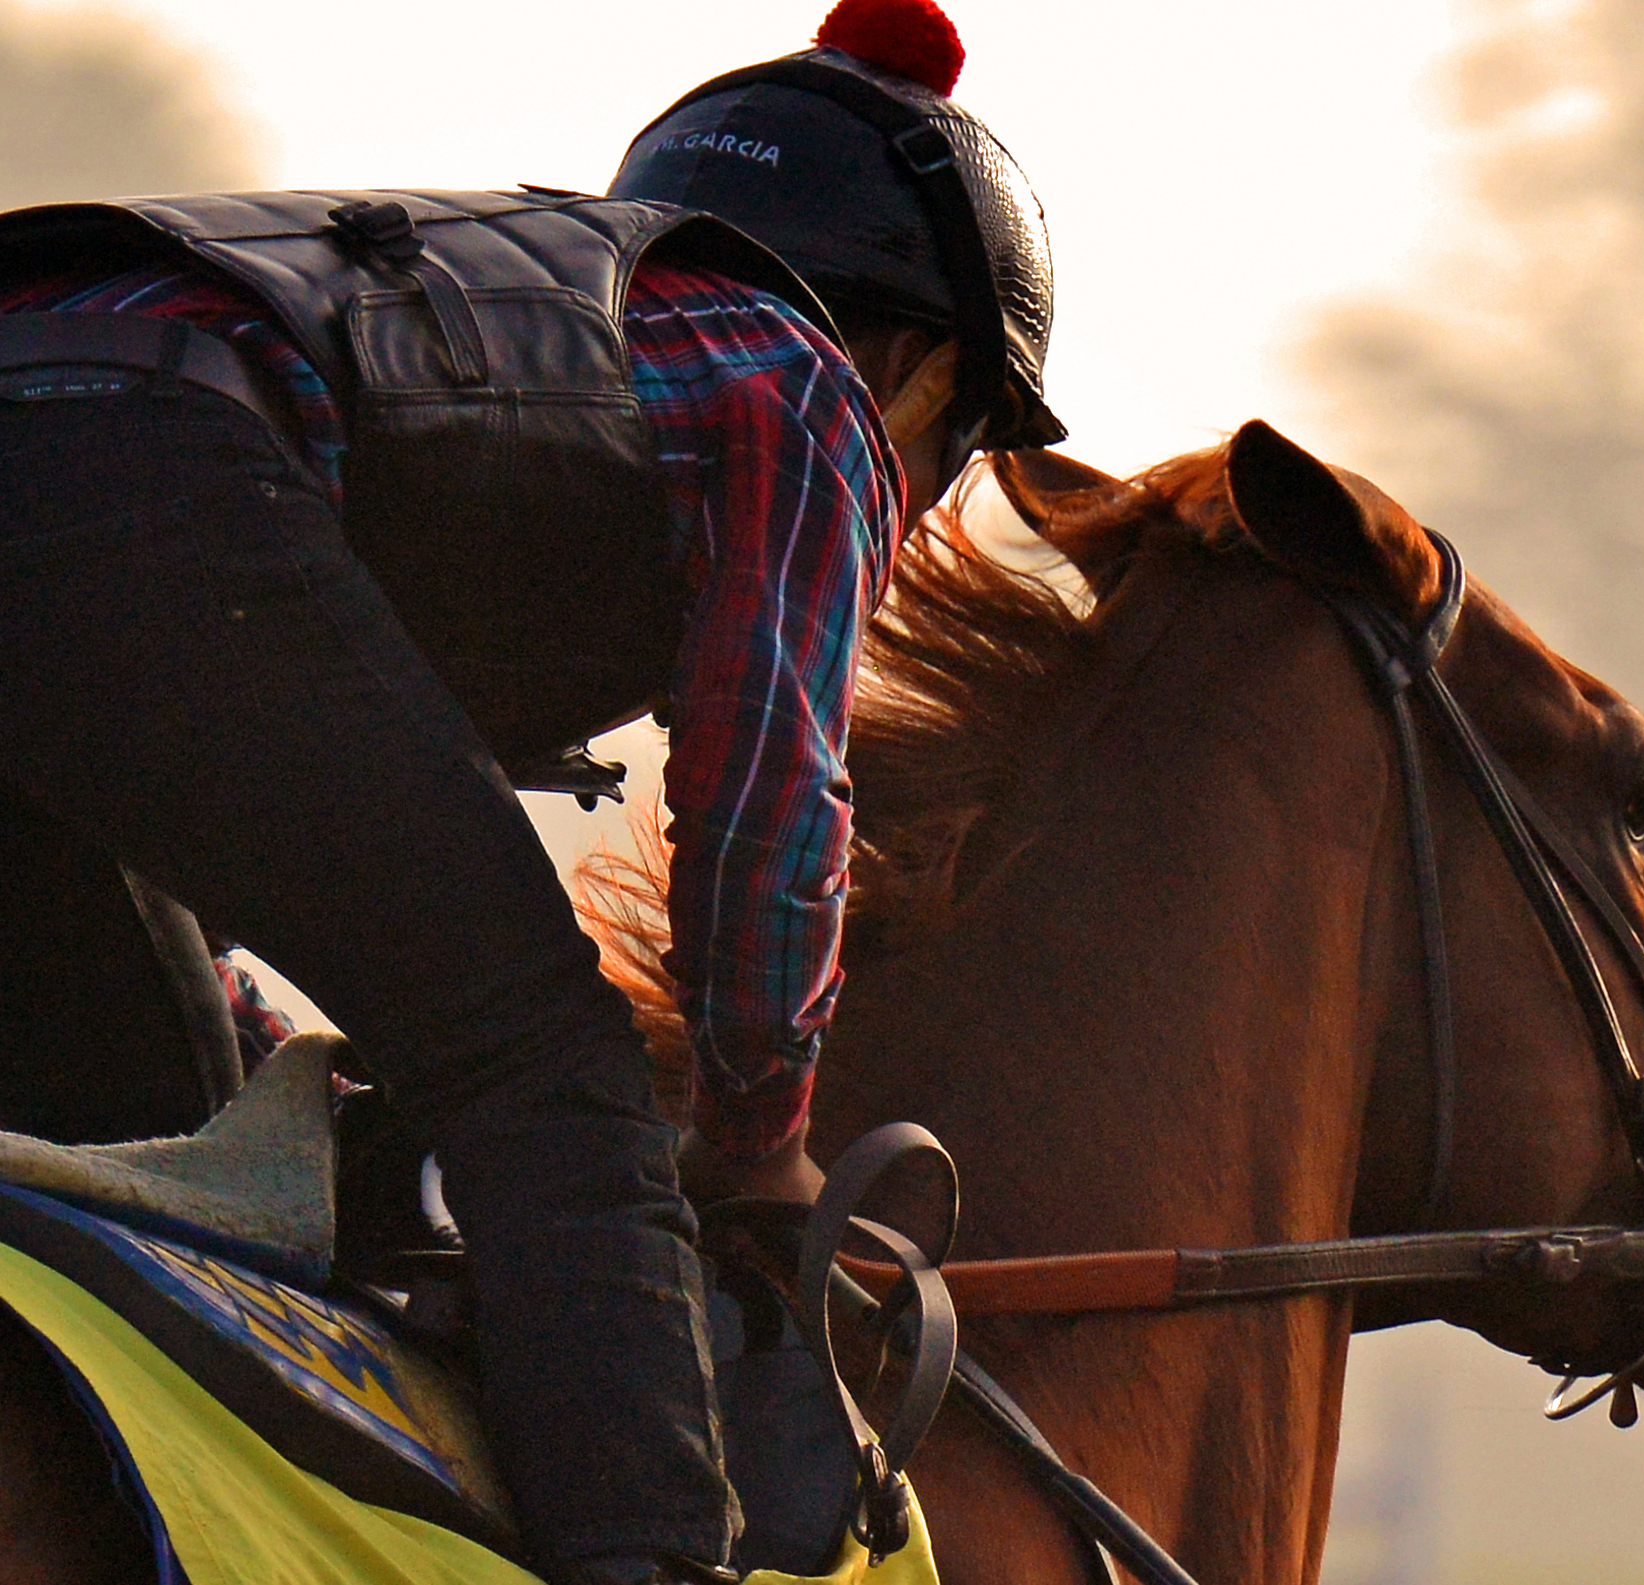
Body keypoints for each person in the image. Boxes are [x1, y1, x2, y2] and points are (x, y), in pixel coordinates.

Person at [0, 0, 1060, 1578]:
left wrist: (268, 1040)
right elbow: (766, 809)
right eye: (955, 450)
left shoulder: (520, 331)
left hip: (79, 418)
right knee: (552, 1086)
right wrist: (758, 1128)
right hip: (151, 462)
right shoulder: (806, 384)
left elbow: (202, 772)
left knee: (169, 1113)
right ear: (918, 368)